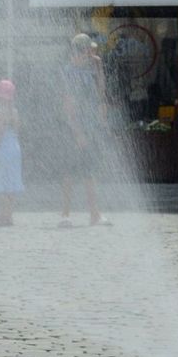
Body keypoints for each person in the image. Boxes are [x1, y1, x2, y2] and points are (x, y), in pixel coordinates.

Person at [58, 33, 105, 226]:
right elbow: (69, 105)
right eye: (89, 50)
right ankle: (65, 215)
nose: (92, 53)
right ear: (83, 50)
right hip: (74, 129)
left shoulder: (88, 71)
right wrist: (78, 132)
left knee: (89, 171)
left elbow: (102, 92)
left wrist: (99, 67)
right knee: (71, 171)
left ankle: (94, 214)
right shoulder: (69, 72)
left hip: (88, 128)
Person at [0, 79, 23, 227]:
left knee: (1, 183)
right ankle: (8, 215)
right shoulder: (14, 112)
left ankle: (3, 216)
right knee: (11, 182)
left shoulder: (0, 113)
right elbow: (16, 131)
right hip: (14, 148)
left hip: (2, 149)